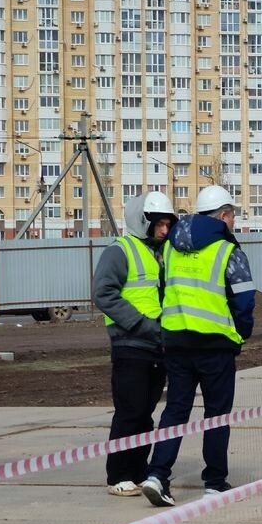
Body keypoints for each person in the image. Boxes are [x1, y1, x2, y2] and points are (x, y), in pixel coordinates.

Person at [142, 185, 256, 507]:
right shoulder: (227, 251)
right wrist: (241, 333)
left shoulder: (170, 248)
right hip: (215, 344)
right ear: (223, 215)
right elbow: (245, 300)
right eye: (232, 216)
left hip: (177, 340)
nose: (233, 222)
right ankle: (215, 482)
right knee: (217, 414)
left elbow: (163, 290)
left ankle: (157, 474)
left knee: (175, 409)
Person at [93, 191, 177, 497]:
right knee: (129, 412)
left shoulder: (161, 253)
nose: (165, 231)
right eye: (160, 225)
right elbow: (104, 294)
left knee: (145, 413)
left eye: (168, 225)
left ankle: (139, 469)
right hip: (130, 344)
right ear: (144, 222)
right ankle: (118, 474)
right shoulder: (120, 251)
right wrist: (140, 323)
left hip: (157, 345)